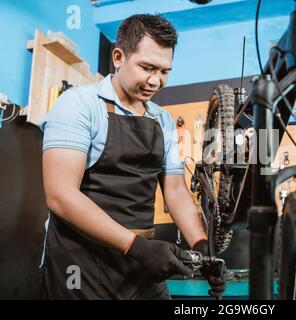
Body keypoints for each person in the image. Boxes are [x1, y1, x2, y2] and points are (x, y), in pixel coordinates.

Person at [38, 13, 224, 299]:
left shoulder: (162, 120)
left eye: (165, 71)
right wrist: (136, 246)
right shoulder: (78, 105)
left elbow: (175, 192)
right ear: (118, 57)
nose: (156, 81)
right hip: (81, 264)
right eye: (147, 67)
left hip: (142, 264)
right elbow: (61, 195)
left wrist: (202, 248)